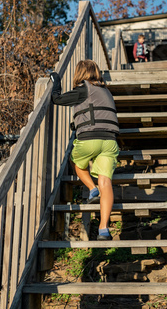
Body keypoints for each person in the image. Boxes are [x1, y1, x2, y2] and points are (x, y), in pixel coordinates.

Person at [50, 60, 119, 241]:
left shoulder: (83, 89)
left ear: (80, 73)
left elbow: (56, 99)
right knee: (106, 181)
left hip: (89, 139)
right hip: (110, 141)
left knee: (75, 162)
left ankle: (91, 188)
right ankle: (104, 228)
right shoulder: (106, 91)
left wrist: (56, 80)